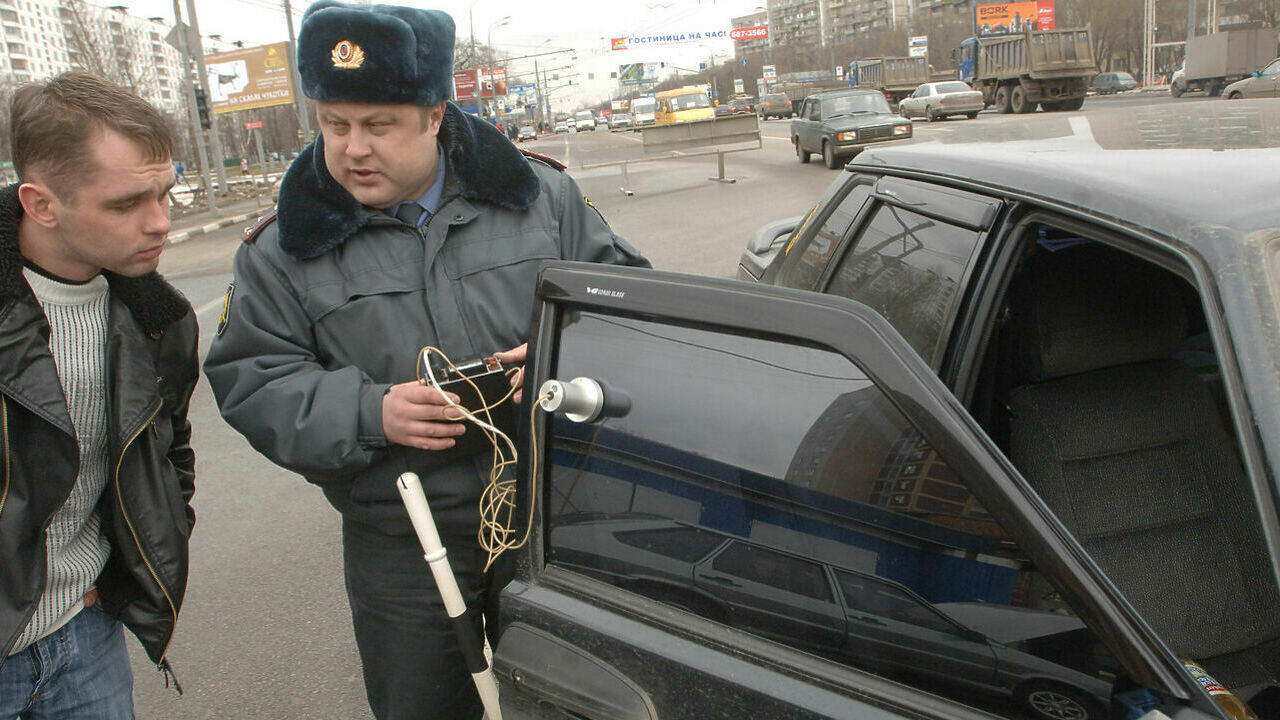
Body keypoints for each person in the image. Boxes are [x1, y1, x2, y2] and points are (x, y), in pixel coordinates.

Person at [202, 3, 649, 719]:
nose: (352, 149)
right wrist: (369, 411)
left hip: (557, 519)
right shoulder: (281, 249)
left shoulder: (541, 198)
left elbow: (632, 309)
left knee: (585, 701)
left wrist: (563, 356)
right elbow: (252, 379)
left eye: (378, 125)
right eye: (333, 124)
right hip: (403, 545)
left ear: (434, 115)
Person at [0, 71, 200, 717]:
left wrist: (119, 574)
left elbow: (170, 459)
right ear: (41, 203)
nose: (159, 223)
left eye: (166, 194)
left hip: (85, 638)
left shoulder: (158, 318)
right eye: (126, 203)